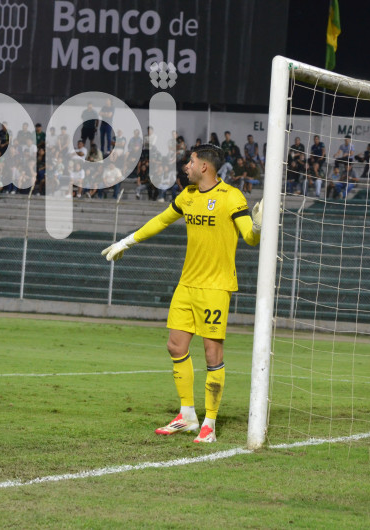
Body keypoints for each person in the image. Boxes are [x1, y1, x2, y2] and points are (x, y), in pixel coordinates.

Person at [101, 144, 262, 443]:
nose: (186, 166)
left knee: (212, 354)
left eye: (191, 161)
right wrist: (126, 242)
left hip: (216, 287)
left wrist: (259, 226)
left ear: (204, 167)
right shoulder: (187, 196)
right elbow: (162, 220)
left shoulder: (231, 197)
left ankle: (209, 424)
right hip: (187, 285)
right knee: (175, 346)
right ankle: (187, 416)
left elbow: (250, 238)